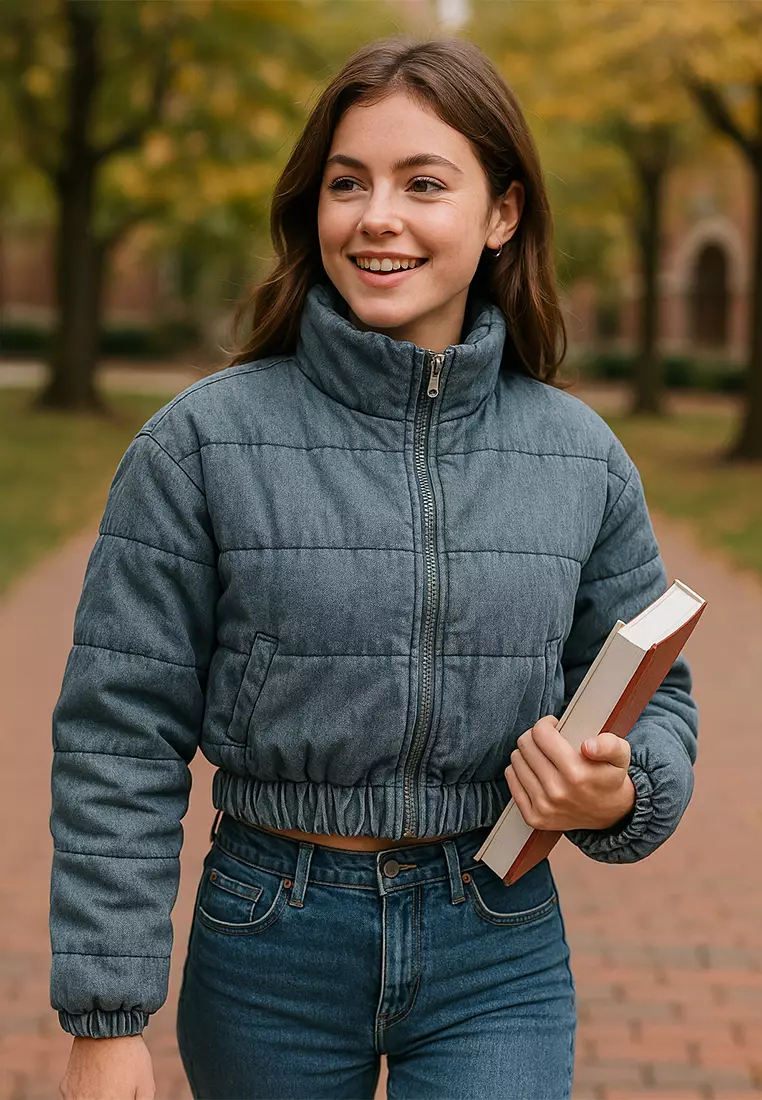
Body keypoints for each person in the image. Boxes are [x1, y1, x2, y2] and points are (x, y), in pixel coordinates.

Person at [50, 34, 699, 1100]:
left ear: (503, 213)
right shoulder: (198, 446)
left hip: (497, 938)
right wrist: (106, 1016)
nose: (376, 217)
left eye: (423, 183)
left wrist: (621, 785)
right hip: (270, 939)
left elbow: (657, 691)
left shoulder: (581, 457)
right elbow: (119, 733)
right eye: (347, 182)